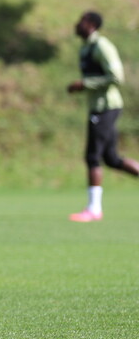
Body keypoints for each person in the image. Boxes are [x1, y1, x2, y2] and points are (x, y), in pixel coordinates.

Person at [66, 11, 139, 222]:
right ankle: (94, 207)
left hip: (106, 107)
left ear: (90, 24)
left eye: (81, 21)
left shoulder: (101, 46)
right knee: (112, 159)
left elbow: (116, 76)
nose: (77, 25)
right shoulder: (86, 48)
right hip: (97, 107)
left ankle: (94, 209)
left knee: (92, 156)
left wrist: (85, 84)